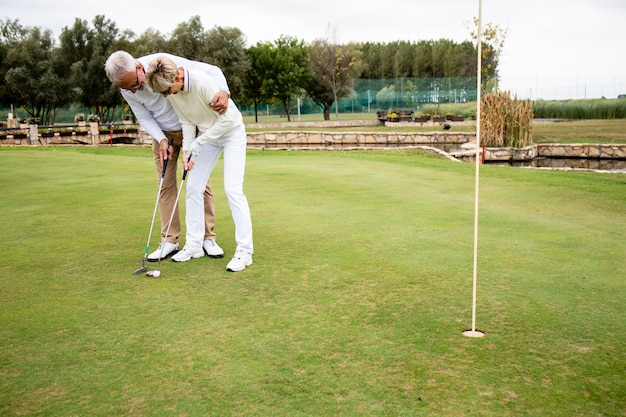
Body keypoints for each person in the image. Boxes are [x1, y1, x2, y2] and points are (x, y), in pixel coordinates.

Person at [104, 51, 228, 262]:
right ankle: (170, 240)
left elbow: (211, 70)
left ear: (139, 68)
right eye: (126, 88)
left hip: (191, 128)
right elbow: (143, 116)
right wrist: (161, 139)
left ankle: (208, 237)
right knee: (166, 186)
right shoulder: (127, 87)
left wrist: (223, 92)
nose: (133, 90)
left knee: (199, 183)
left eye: (135, 83)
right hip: (162, 135)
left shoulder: (162, 63)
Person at [146, 55, 253, 272]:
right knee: (193, 188)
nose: (166, 95)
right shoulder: (171, 92)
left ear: (177, 76)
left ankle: (245, 251)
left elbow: (227, 119)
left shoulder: (203, 83)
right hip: (206, 136)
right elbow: (186, 120)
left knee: (233, 189)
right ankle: (194, 245)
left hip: (231, 133)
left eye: (167, 90)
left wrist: (199, 142)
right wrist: (187, 150)